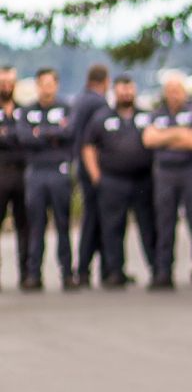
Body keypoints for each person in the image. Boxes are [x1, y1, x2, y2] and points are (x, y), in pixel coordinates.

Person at [142, 70, 192, 290]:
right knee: (165, 222)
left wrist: (165, 137)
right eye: (170, 91)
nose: (174, 94)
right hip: (165, 173)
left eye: (177, 90)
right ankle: (164, 271)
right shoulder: (157, 113)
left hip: (190, 171)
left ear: (184, 92)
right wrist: (179, 134)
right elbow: (149, 139)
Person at [83, 74, 156, 289]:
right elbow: (88, 146)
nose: (126, 93)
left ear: (134, 90)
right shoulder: (102, 117)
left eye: (129, 88)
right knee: (112, 228)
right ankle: (115, 271)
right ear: (115, 91)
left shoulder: (147, 116)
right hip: (113, 180)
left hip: (143, 180)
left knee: (148, 226)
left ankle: (157, 270)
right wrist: (96, 176)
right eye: (122, 89)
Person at [20, 67, 79, 291]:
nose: (46, 88)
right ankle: (34, 274)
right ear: (37, 85)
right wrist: (52, 133)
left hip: (59, 171)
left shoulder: (66, 108)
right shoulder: (28, 111)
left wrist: (40, 133)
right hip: (36, 172)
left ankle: (67, 273)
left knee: (63, 224)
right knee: (36, 226)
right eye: (42, 84)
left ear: (56, 85)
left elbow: (69, 133)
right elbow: (24, 137)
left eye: (50, 83)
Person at [70, 63, 111, 286]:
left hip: (80, 164)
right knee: (97, 218)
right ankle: (95, 269)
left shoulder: (79, 99)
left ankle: (86, 268)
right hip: (93, 167)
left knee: (91, 217)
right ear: (106, 80)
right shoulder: (98, 102)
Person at [0, 65, 25, 288]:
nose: (6, 87)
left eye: (10, 83)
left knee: (24, 225)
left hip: (21, 173)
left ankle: (27, 274)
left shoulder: (24, 111)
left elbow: (29, 139)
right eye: (3, 82)